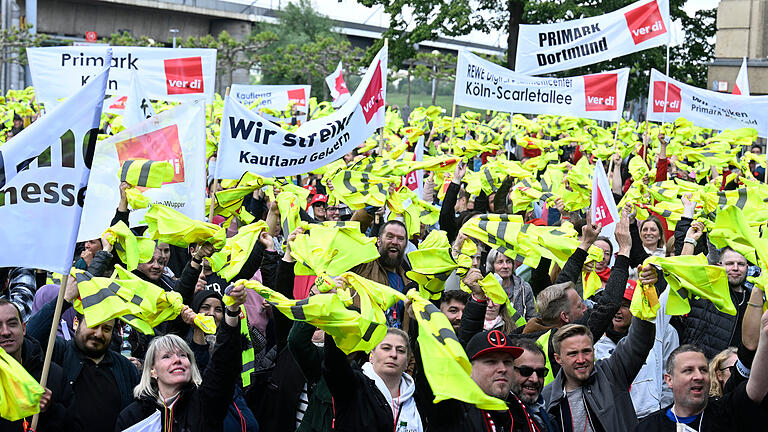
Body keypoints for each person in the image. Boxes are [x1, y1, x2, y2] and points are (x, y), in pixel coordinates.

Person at [114, 282, 247, 432]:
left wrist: (232, 310)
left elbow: (223, 364)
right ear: (153, 370)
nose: (177, 360)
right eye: (166, 357)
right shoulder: (132, 417)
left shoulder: (205, 403)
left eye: (183, 355)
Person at [25, 276, 140, 432]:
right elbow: (30, 336)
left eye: (106, 329)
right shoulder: (58, 352)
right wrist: (64, 300)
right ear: (76, 323)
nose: (98, 334)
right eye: (93, 325)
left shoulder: (126, 368)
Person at [635, 332, 768, 431]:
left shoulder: (728, 412)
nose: (698, 376)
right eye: (688, 370)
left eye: (703, 370)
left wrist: (765, 336)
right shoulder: (648, 427)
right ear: (669, 380)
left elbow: (756, 388)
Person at [415, 329, 540, 431]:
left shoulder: (524, 414)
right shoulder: (453, 410)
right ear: (469, 369)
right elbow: (427, 373)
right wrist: (419, 323)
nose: (502, 368)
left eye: (507, 362)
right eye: (491, 362)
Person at [543, 317, 655, 431]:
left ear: (593, 350)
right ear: (558, 358)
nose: (581, 360)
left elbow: (639, 340)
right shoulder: (546, 398)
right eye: (573, 354)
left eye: (586, 351)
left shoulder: (612, 373)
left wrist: (643, 309)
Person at [594, 286, 679, 419]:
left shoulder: (654, 333)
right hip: (615, 418)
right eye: (616, 305)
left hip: (650, 415)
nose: (618, 311)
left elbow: (668, 375)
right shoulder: (595, 340)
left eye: (625, 306)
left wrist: (663, 408)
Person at [0, 299, 82, 432]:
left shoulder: (52, 374)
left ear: (24, 328)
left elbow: (75, 427)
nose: (5, 332)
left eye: (12, 324)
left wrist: (50, 410)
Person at [323, 328, 423, 432]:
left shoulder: (417, 397)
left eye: (400, 350)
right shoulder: (354, 385)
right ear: (371, 356)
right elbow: (334, 363)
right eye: (386, 348)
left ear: (407, 361)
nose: (393, 354)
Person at [351, 220, 413, 328]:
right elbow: (353, 235)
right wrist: (367, 212)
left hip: (396, 342)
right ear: (378, 241)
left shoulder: (409, 280)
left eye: (400, 238)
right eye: (390, 236)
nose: (395, 242)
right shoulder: (365, 265)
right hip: (366, 341)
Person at [508, 338, 557, 431]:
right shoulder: (499, 418)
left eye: (541, 372)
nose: (534, 379)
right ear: (508, 370)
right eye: (526, 371)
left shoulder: (550, 417)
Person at [485, 249, 536, 321]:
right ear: (492, 265)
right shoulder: (484, 286)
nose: (505, 266)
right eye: (500, 262)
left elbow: (532, 317)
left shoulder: (524, 288)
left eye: (508, 262)